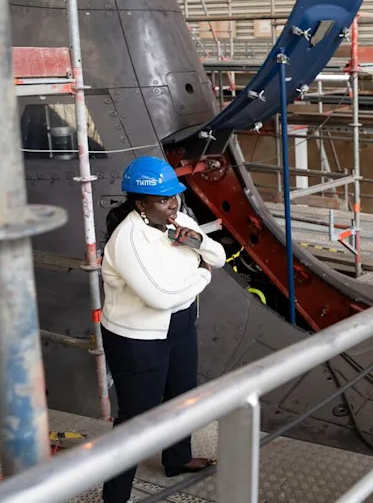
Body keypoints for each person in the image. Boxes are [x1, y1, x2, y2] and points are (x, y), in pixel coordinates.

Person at [101, 156, 225, 503]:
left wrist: (197, 244)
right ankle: (115, 496)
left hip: (181, 323)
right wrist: (201, 274)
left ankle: (177, 458)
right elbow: (160, 297)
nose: (172, 204)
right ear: (140, 203)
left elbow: (219, 256)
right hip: (137, 337)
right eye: (162, 199)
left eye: (174, 196)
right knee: (135, 419)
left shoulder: (178, 220)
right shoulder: (128, 239)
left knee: (182, 395)